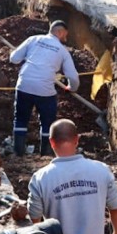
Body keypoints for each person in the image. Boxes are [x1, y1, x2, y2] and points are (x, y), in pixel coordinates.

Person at [9, 18, 79, 155]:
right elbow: (73, 76)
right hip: (45, 91)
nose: (66, 37)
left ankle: (18, 153)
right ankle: (46, 154)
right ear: (59, 32)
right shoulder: (62, 50)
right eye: (65, 34)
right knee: (47, 122)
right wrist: (72, 88)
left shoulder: (33, 39)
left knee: (20, 119)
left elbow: (13, 58)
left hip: (24, 85)